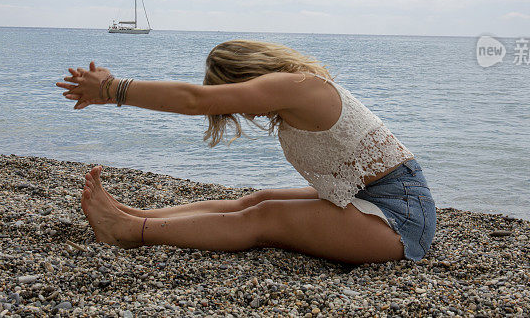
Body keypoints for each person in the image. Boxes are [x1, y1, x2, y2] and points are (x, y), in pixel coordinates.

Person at [56, 40, 435, 264]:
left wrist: (113, 89)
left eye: (232, 93)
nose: (241, 110)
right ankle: (134, 216)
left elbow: (193, 100)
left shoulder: (298, 87)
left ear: (248, 77)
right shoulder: (294, 95)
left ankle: (131, 231)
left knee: (266, 216)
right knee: (259, 198)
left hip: (399, 217)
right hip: (366, 198)